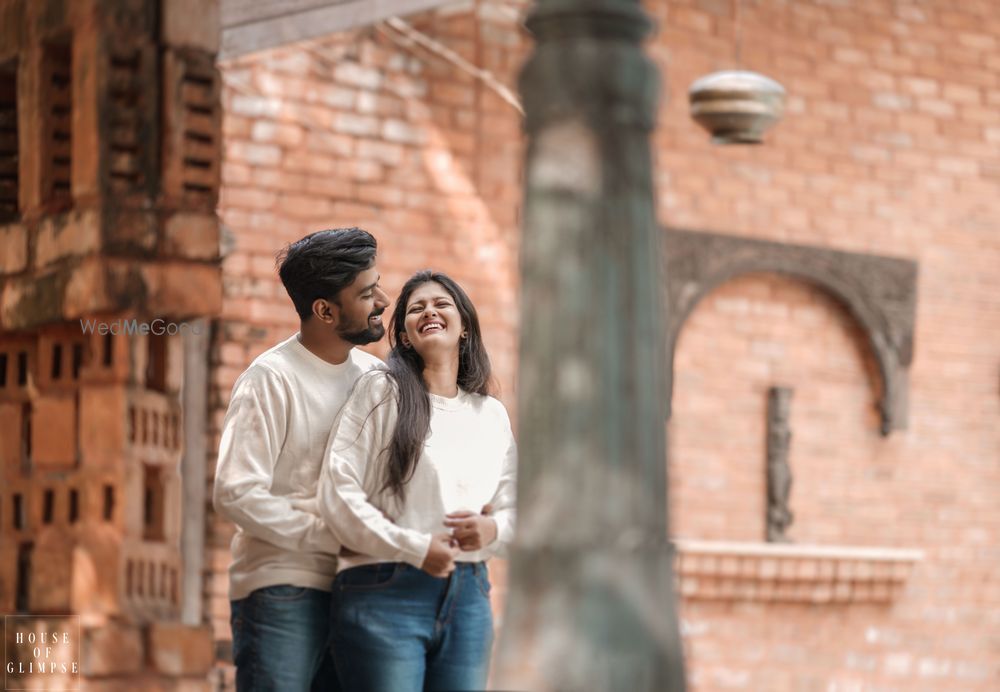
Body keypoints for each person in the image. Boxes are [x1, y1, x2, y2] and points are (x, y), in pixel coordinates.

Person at [318, 270, 517, 692]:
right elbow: (337, 492)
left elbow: (517, 507)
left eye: (441, 303)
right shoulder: (381, 392)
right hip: (385, 589)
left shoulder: (490, 415)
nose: (429, 311)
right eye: (416, 308)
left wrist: (492, 529)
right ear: (405, 336)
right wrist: (412, 546)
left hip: (469, 598)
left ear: (464, 326)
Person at [213, 228, 389, 691]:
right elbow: (235, 492)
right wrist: (333, 537)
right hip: (282, 589)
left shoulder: (376, 377)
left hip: (360, 591)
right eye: (368, 293)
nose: (384, 301)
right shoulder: (270, 379)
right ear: (325, 310)